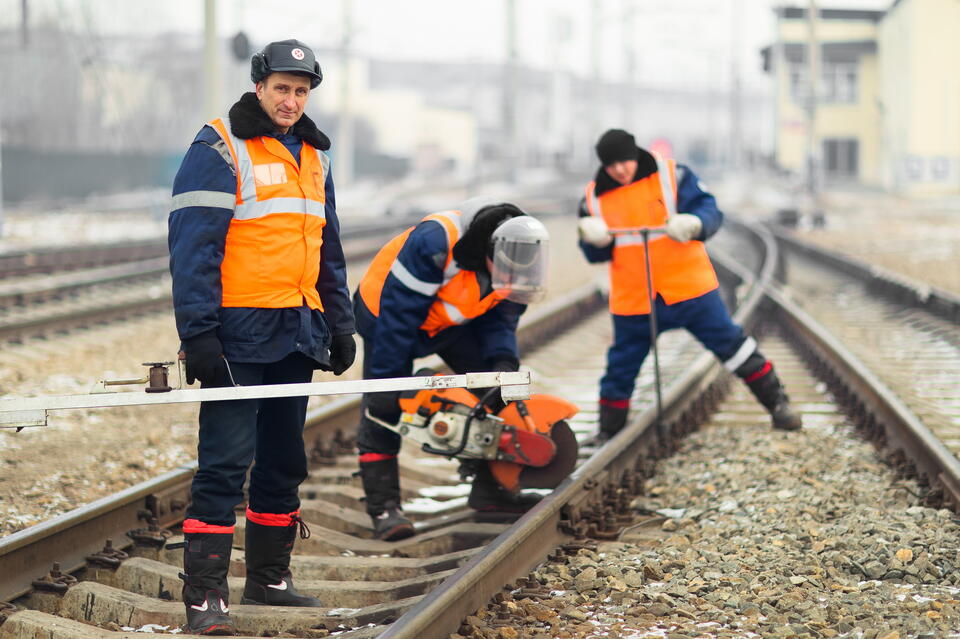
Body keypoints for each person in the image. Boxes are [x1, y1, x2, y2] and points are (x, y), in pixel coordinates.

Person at [168, 39, 356, 635]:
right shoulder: (219, 146)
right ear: (259, 86)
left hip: (296, 330)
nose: (292, 100)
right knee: (224, 464)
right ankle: (205, 599)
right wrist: (198, 335)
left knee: (283, 460)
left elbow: (327, 246)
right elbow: (194, 247)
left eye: (301, 91)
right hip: (237, 334)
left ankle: (270, 579)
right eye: (282, 88)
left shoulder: (313, 154)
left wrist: (340, 320)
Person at [577, 129, 802, 440]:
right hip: (635, 298)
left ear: (635, 154)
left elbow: (710, 211)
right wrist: (593, 240)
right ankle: (608, 433)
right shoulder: (594, 198)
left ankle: (779, 405)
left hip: (689, 290)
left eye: (624, 162)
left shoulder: (673, 176)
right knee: (620, 369)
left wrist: (696, 224)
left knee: (732, 345)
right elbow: (593, 253)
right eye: (611, 165)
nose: (619, 170)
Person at [352, 200, 550, 541]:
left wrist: (502, 361)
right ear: (487, 251)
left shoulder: (518, 255)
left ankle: (491, 490)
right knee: (381, 408)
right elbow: (398, 319)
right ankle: (385, 508)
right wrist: (387, 383)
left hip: (450, 321)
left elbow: (501, 317)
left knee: (495, 392)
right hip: (385, 317)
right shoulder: (435, 242)